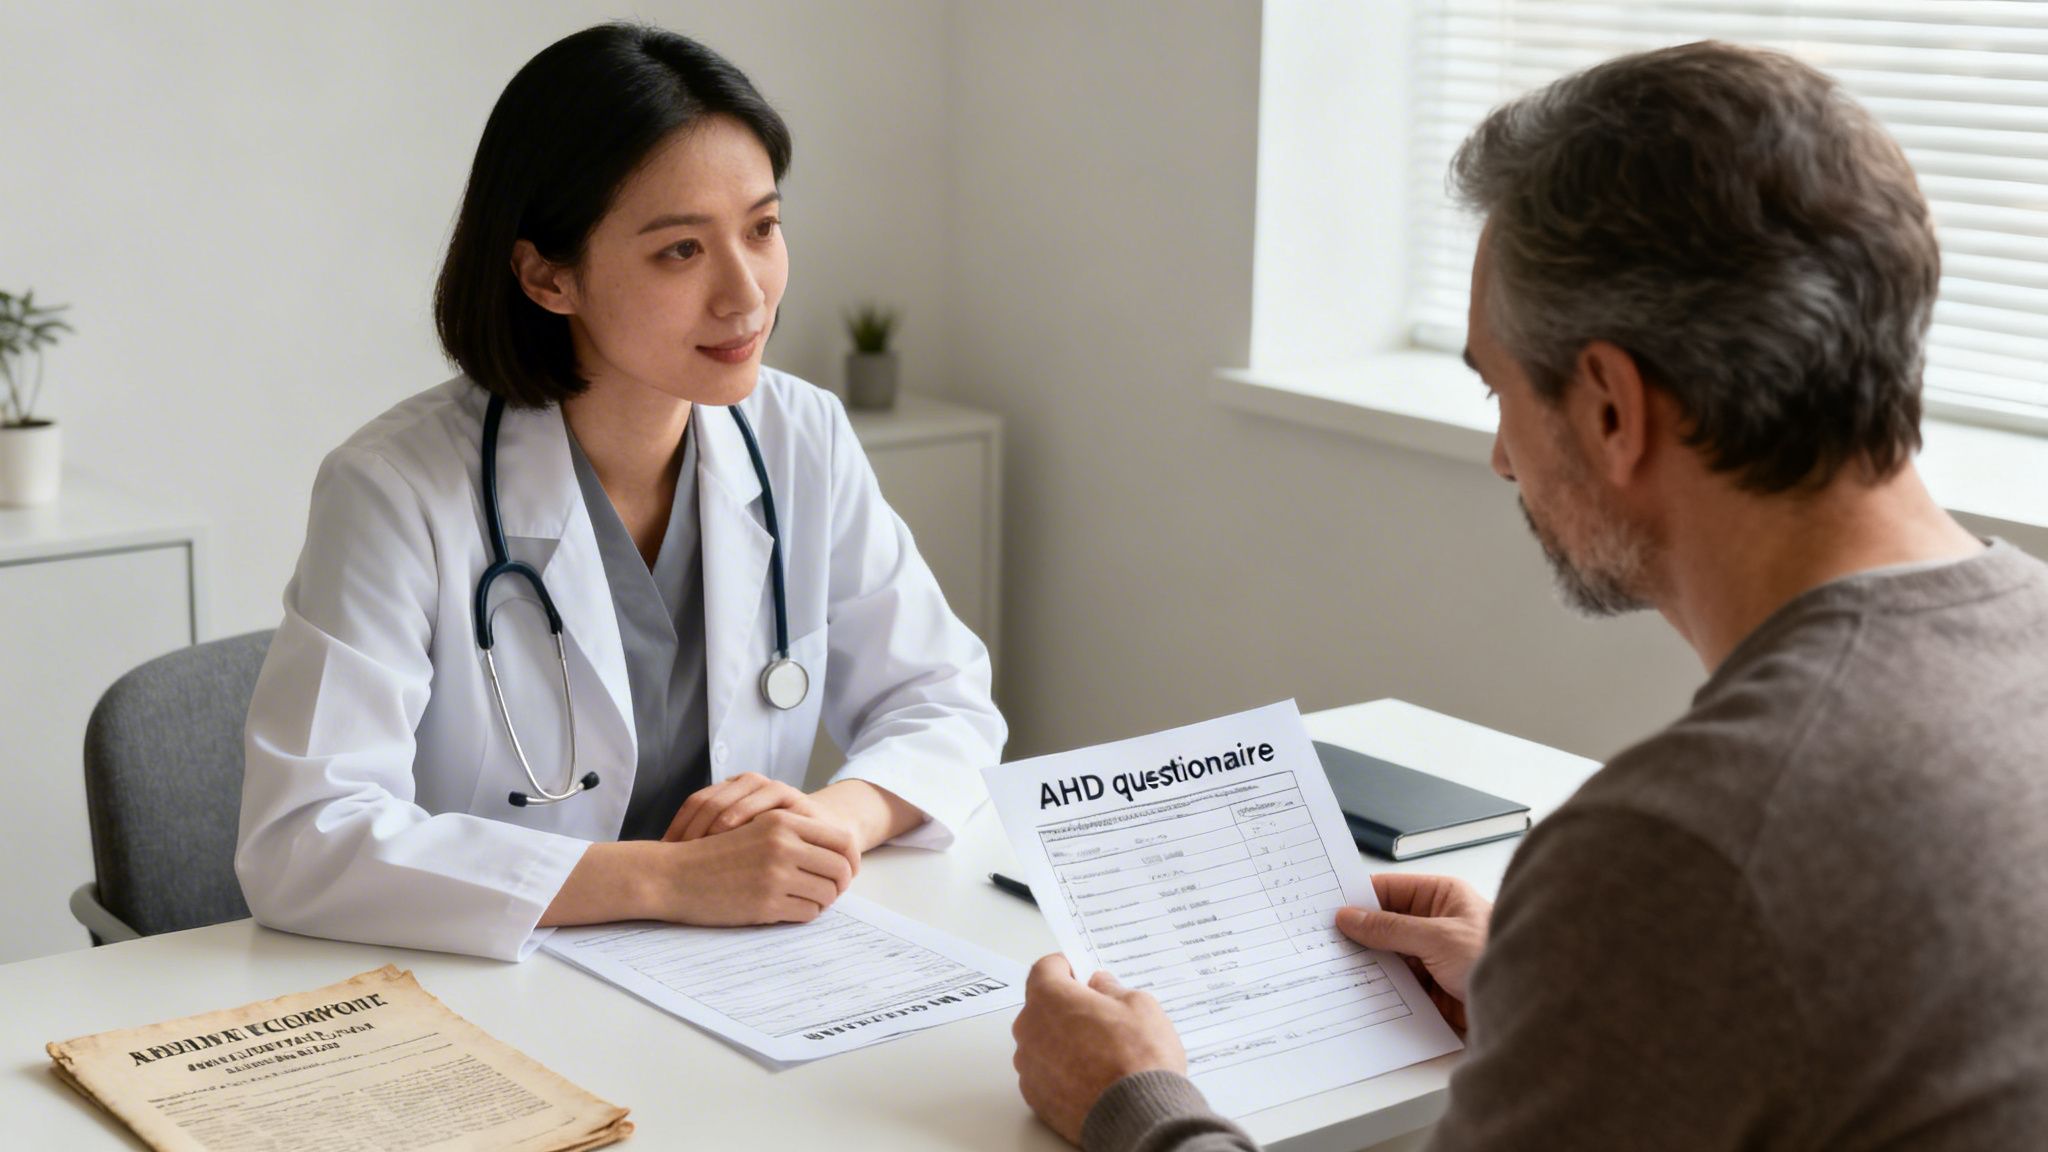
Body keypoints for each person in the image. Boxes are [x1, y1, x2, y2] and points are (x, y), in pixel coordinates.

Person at [1010, 40, 2048, 1151]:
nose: (1503, 458)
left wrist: (1134, 1105)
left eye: (1497, 389)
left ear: (1607, 406)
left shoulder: (1679, 851)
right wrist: (1547, 985)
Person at [237, 24, 1003, 962]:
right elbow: (303, 840)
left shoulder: (801, 438)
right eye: (681, 251)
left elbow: (946, 701)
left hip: (746, 972)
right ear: (547, 275)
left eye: (762, 229)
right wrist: (672, 881)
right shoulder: (397, 489)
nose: (746, 295)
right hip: (495, 992)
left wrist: (829, 820)